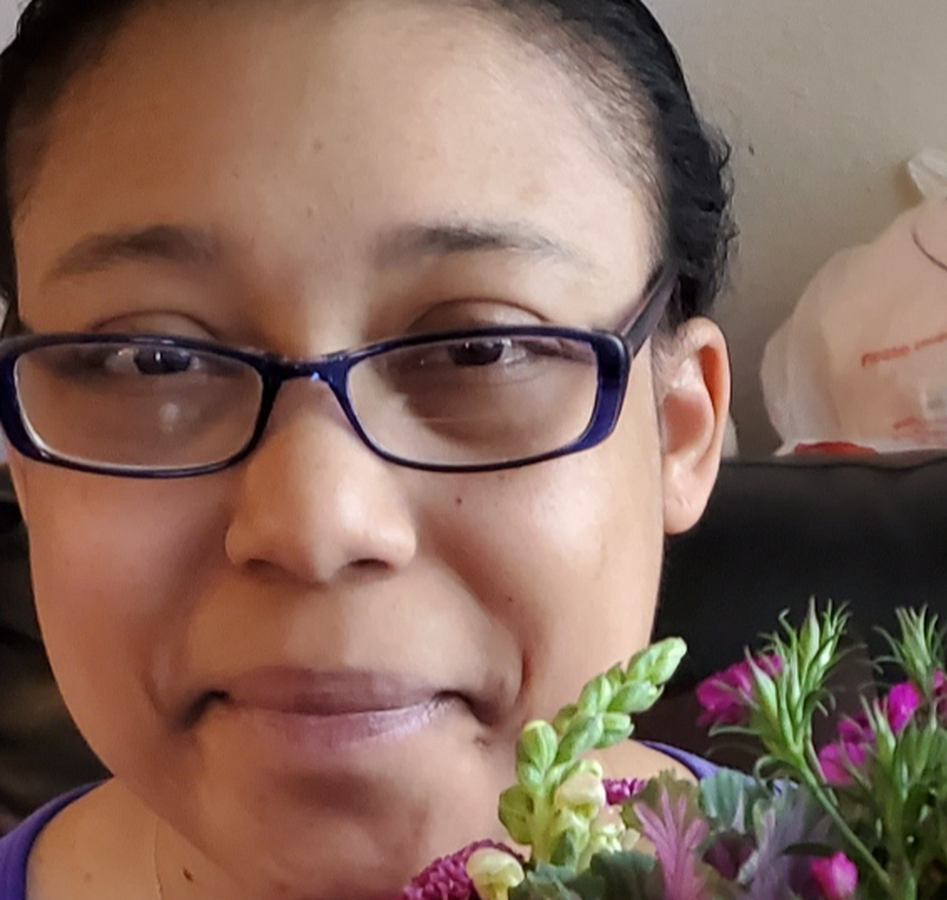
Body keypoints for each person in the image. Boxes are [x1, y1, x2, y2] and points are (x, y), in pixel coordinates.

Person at [0, 0, 735, 898]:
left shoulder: (870, 863)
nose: (315, 526)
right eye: (154, 361)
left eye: (479, 350)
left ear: (680, 428)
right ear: (22, 466)